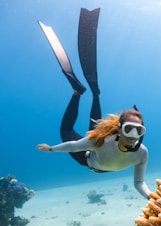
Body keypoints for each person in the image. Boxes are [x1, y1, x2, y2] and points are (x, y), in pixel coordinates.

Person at [36, 8, 151, 200]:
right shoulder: (101, 140)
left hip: (96, 161)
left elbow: (139, 182)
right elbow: (73, 145)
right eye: (129, 129)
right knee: (67, 130)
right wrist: (52, 149)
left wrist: (151, 197)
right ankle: (82, 93)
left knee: (94, 127)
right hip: (88, 157)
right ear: (120, 128)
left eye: (139, 131)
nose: (134, 136)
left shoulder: (142, 153)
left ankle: (84, 92)